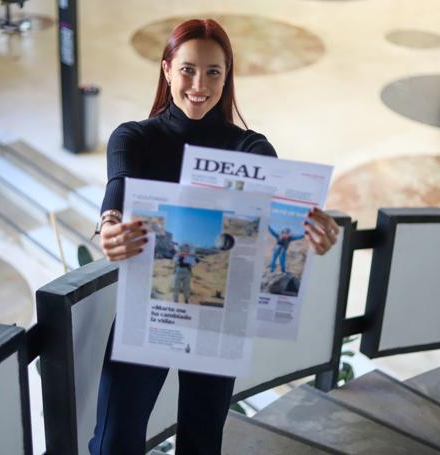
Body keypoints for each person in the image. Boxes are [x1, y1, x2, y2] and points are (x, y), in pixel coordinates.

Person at [91, 18, 340, 454]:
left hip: (218, 321)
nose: (199, 85)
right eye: (187, 69)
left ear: (227, 77)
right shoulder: (133, 137)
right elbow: (120, 186)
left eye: (213, 72)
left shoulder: (252, 149)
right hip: (147, 312)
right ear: (167, 69)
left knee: (202, 444)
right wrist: (108, 225)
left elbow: (279, 213)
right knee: (113, 443)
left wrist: (309, 230)